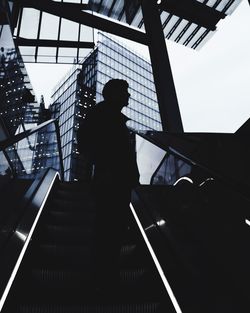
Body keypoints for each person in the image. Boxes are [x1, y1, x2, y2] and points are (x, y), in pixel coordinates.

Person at [77, 79, 140, 289]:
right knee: (108, 230)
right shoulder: (102, 114)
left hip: (119, 181)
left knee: (113, 229)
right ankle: (103, 278)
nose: (129, 96)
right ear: (114, 94)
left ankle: (105, 275)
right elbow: (85, 141)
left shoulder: (112, 117)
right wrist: (105, 167)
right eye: (125, 92)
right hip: (111, 181)